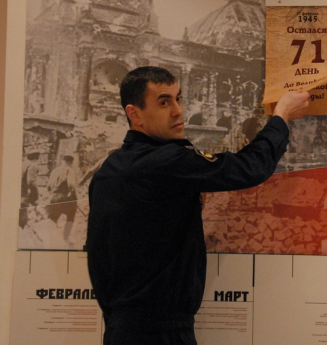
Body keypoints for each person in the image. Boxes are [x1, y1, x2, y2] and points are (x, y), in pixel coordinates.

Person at [86, 66, 309, 345]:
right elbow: (250, 168)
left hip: (122, 329)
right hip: (160, 335)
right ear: (135, 114)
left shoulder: (109, 170)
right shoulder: (165, 162)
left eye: (179, 99)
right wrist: (282, 116)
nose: (178, 111)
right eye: (164, 102)